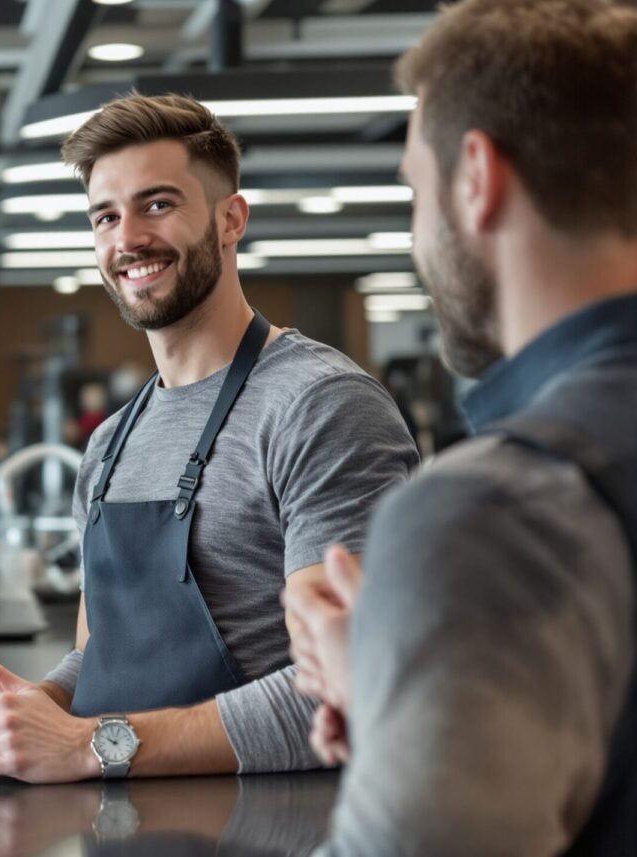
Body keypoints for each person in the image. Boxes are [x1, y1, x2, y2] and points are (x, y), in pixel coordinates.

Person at [0, 92, 417, 783]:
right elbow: (106, 653)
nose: (127, 239)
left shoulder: (320, 407)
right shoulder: (110, 445)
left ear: (229, 219)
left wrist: (89, 743)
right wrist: (47, 703)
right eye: (105, 216)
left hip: (278, 826)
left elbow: (350, 679)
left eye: (157, 204)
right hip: (122, 823)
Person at [283, 1, 637, 853]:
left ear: (475, 177)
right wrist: (406, 695)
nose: (415, 232)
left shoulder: (489, 513)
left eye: (414, 188)